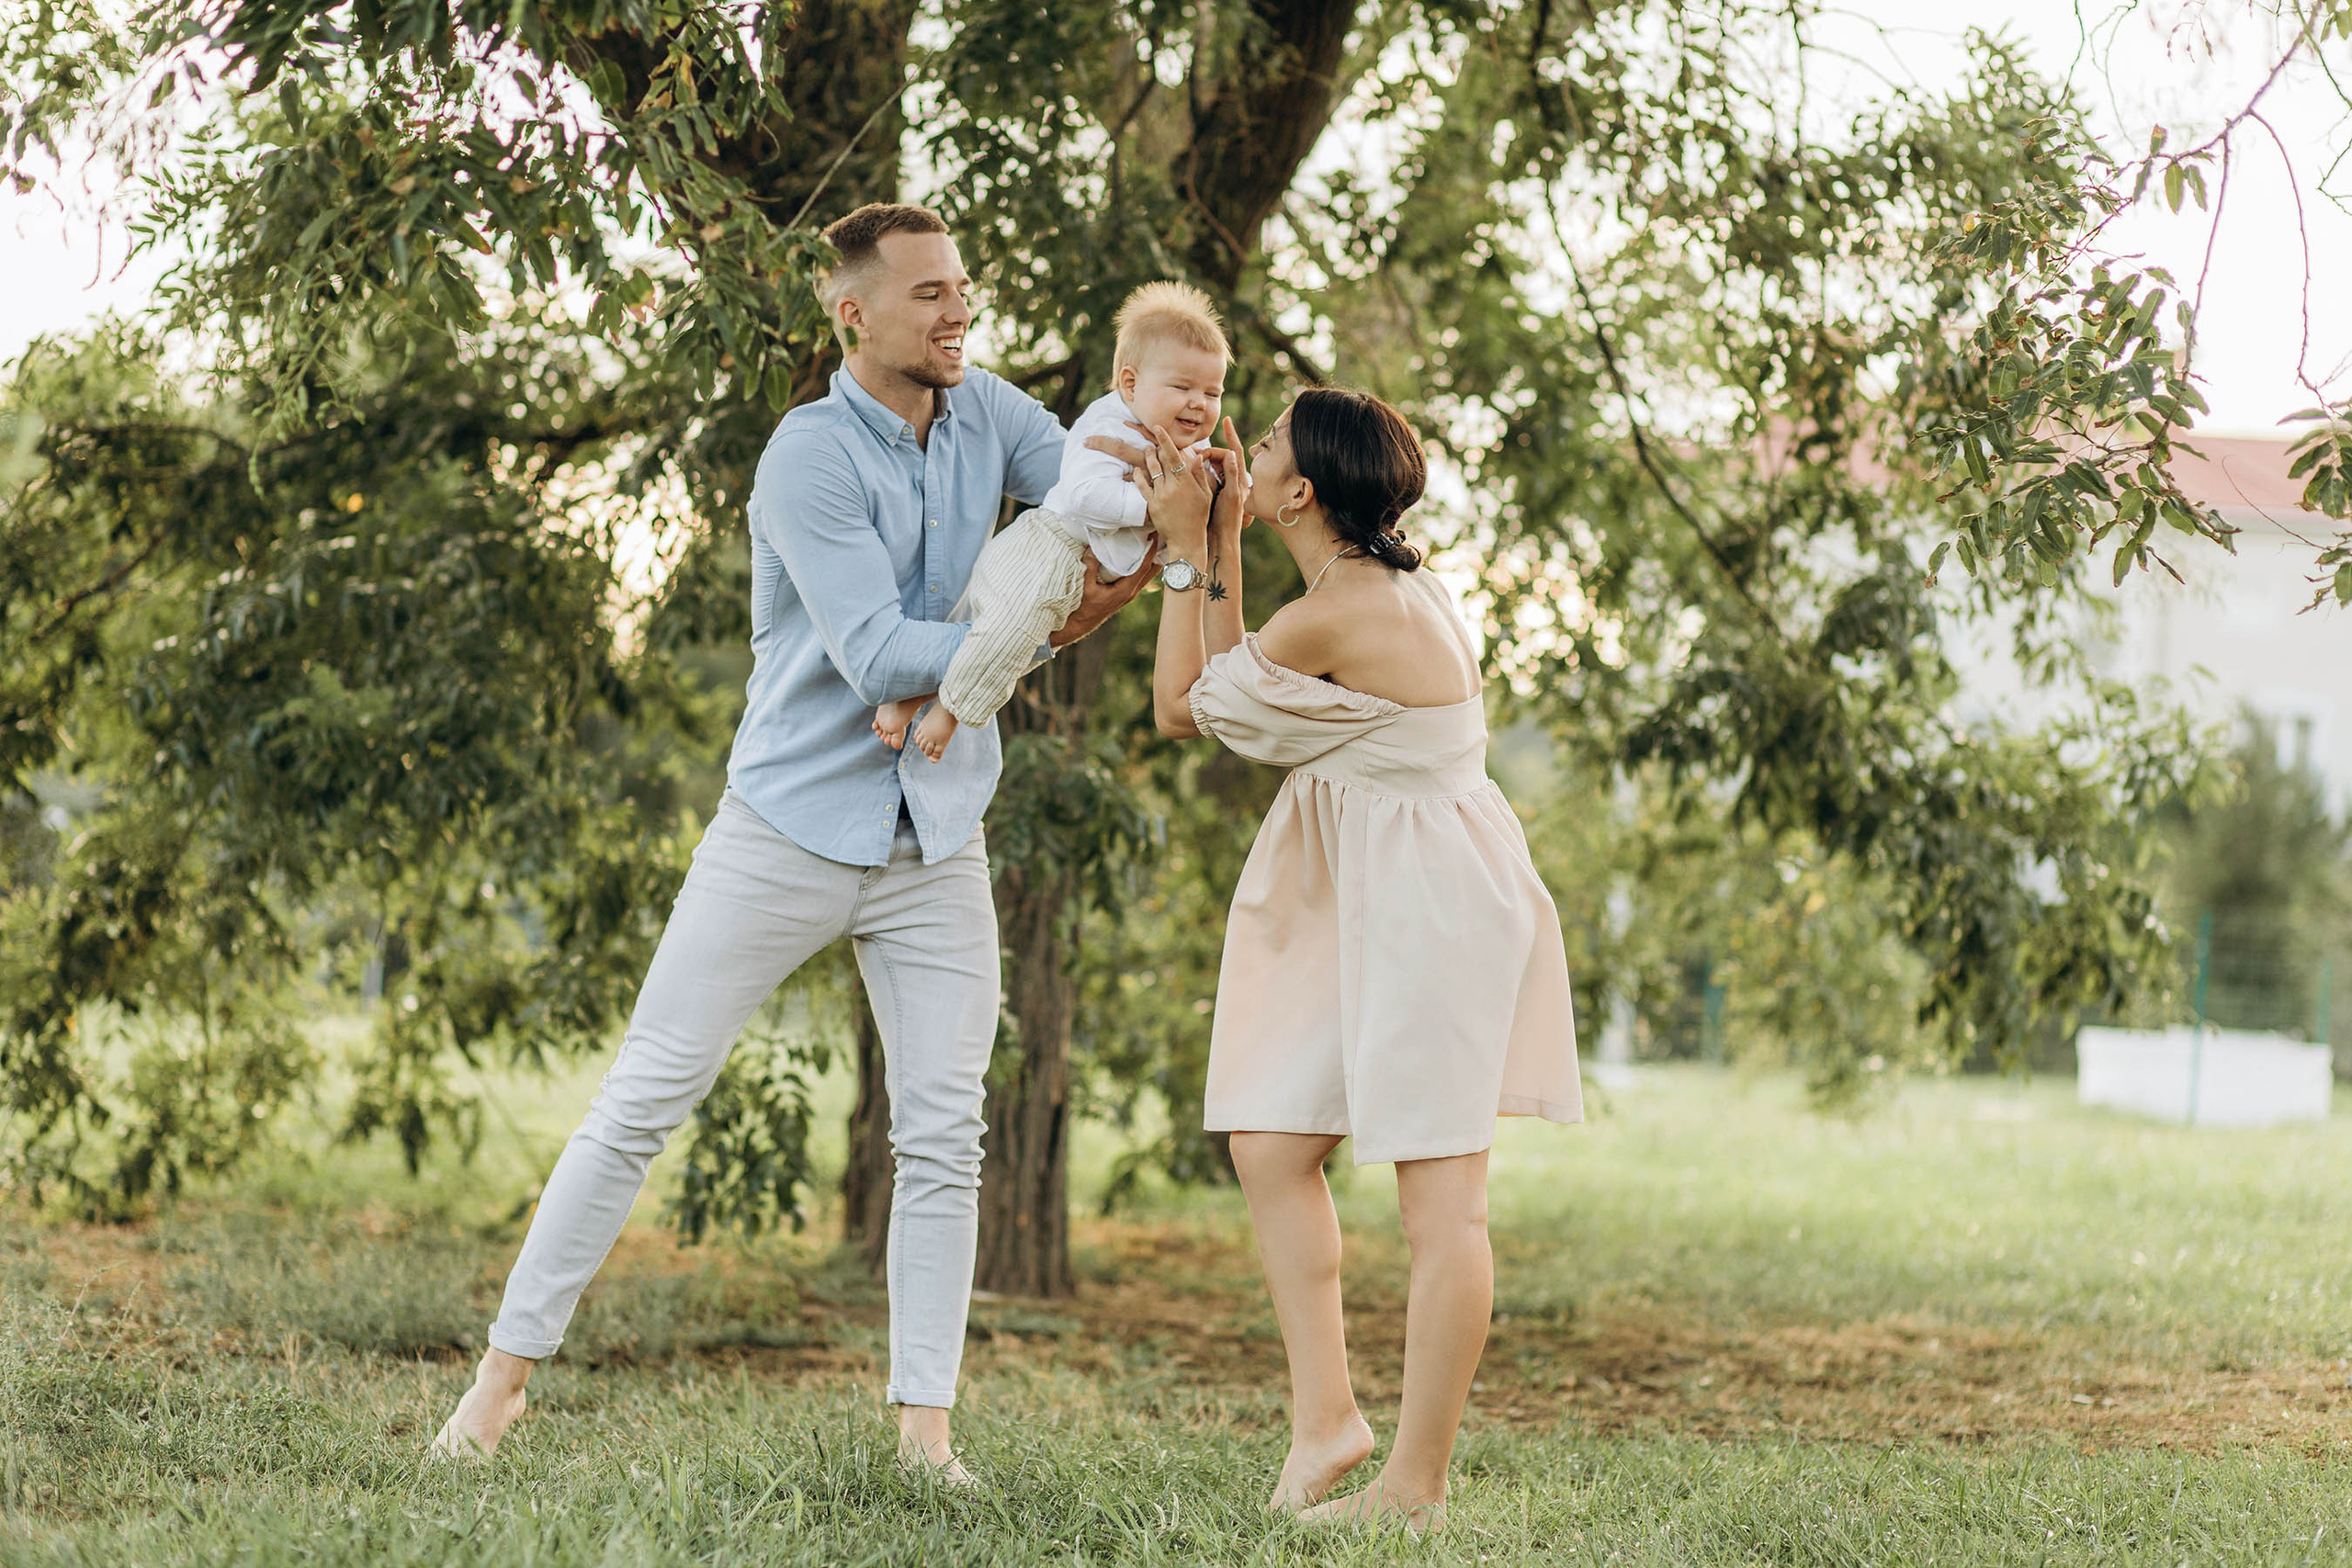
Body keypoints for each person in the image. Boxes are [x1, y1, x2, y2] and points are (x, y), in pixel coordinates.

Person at [426, 202, 1155, 1480]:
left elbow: (1103, 499)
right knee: (643, 1097)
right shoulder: (806, 454)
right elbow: (875, 649)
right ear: (852, 314)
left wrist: (1163, 503)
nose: (956, 311)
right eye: (927, 293)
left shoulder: (990, 414)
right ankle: (497, 1387)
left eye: (962, 286)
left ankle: (925, 1432)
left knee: (943, 1133)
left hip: (938, 835)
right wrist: (1042, 623)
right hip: (790, 824)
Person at [1100, 390, 1581, 1533]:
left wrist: (1184, 551)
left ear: (1302, 491)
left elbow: (1184, 704)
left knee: (1442, 1208)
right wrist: (1218, 536)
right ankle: (1330, 1422)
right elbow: (1241, 684)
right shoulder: (1355, 587)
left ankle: (1414, 1490)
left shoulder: (1349, 609)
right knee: (1272, 1140)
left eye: (1263, 447)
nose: (1242, 450)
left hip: (1431, 904)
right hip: (1380, 880)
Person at [874, 280, 1227, 761]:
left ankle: (913, 696)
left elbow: (1202, 504)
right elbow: (1083, 495)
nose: (1199, 404)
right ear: (1130, 384)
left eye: (1212, 392)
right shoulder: (1107, 427)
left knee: (994, 637)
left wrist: (1222, 499)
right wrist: (1159, 507)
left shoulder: (1188, 447)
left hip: (1087, 565)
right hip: (1052, 548)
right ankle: (949, 711)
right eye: (1182, 387)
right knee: (1010, 634)